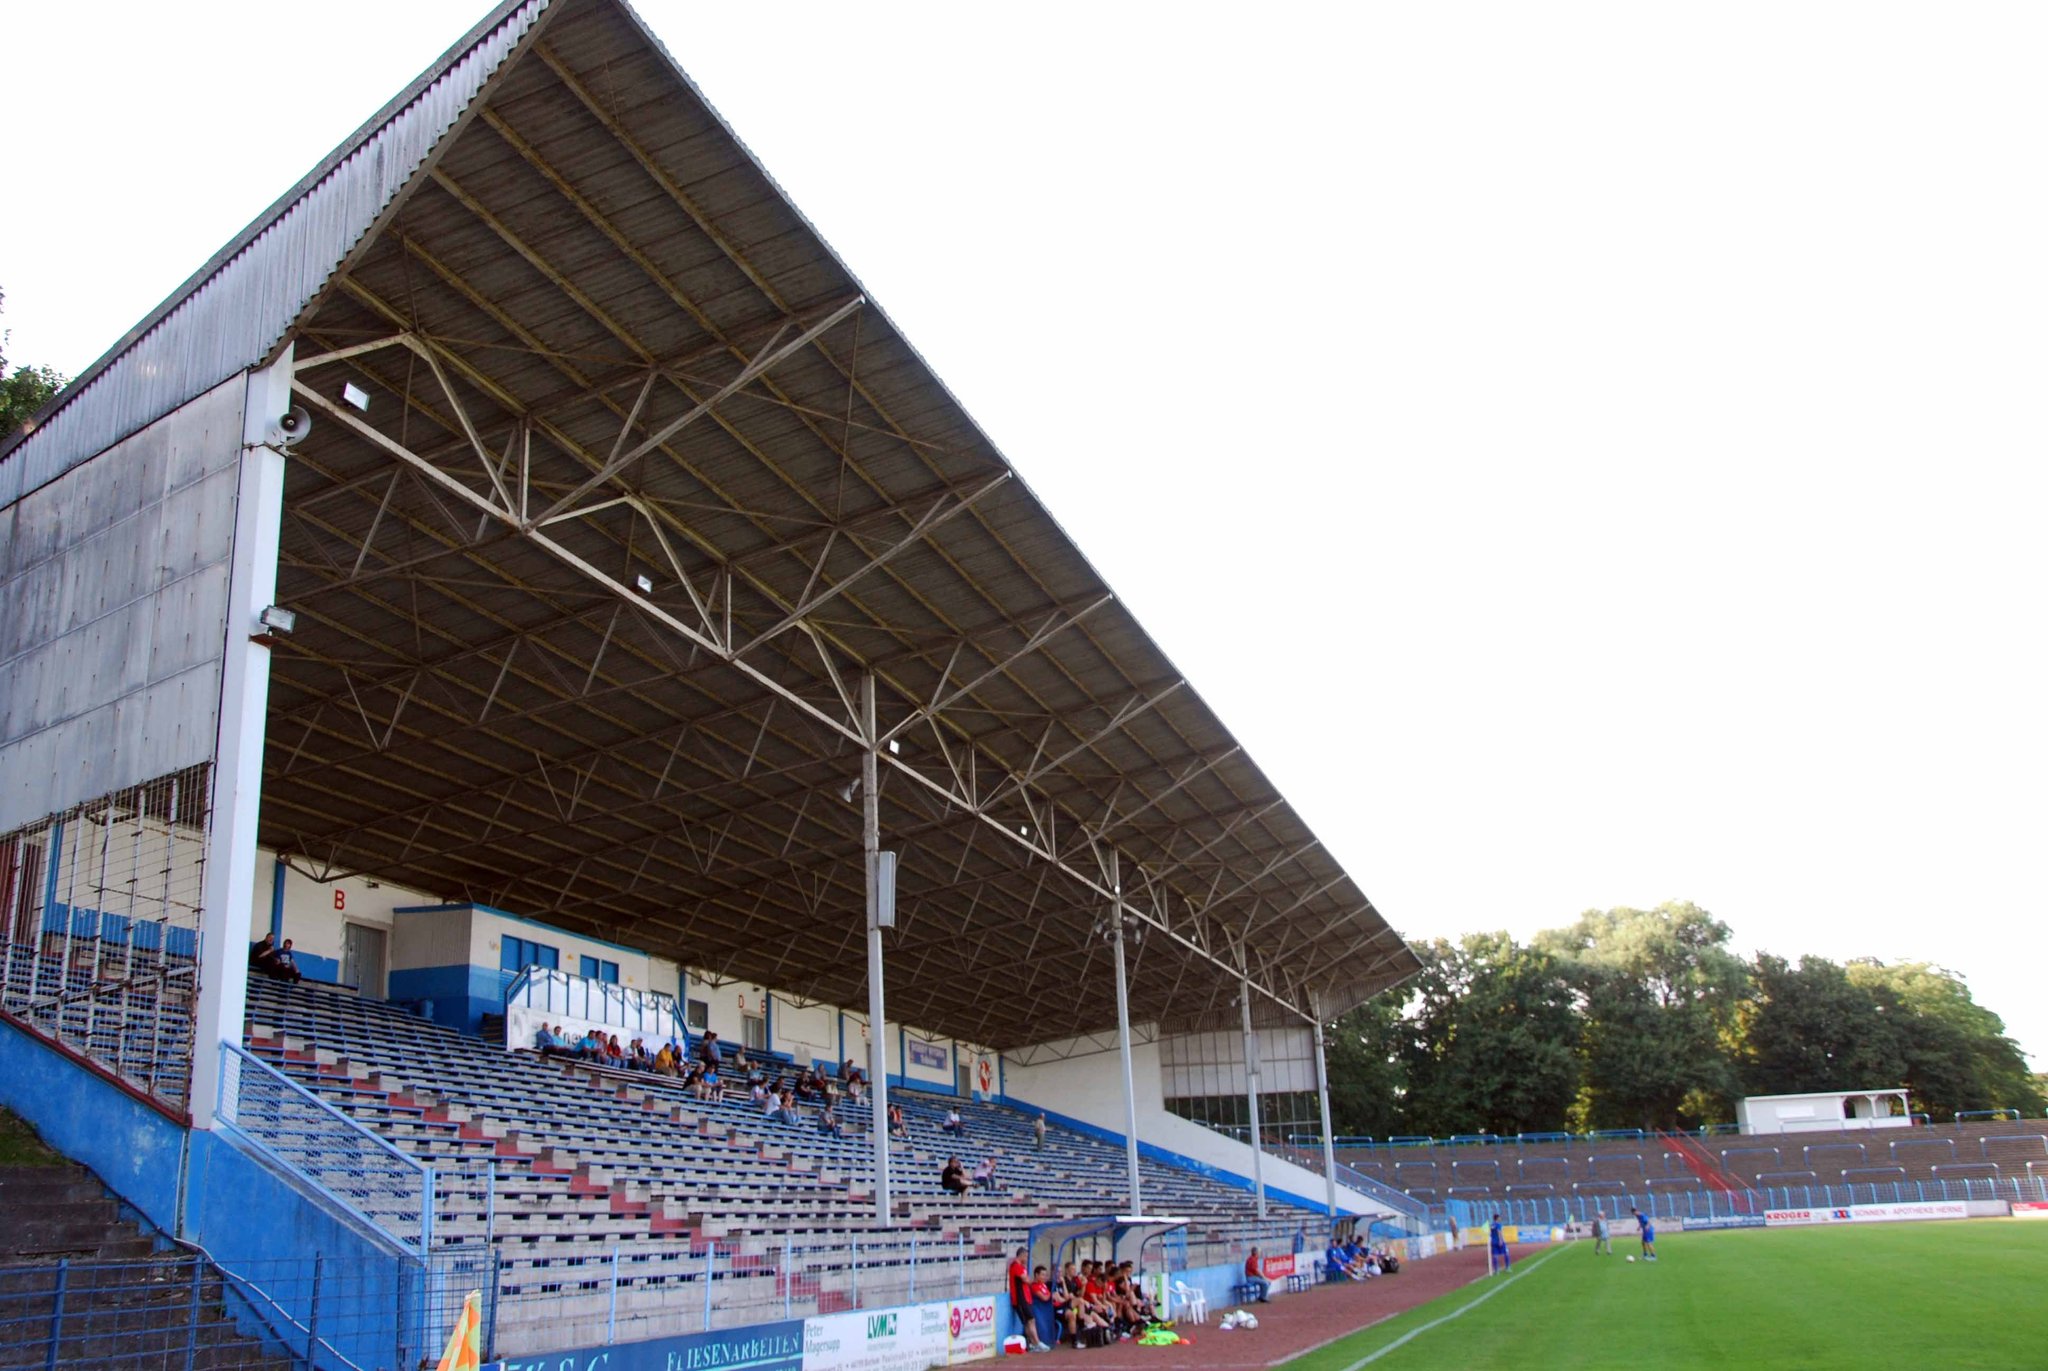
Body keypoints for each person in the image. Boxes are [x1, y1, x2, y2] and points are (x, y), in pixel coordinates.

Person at [1008, 1249, 1044, 1352]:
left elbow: (1027, 1279)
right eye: (1026, 1256)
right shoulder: (1015, 1266)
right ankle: (1036, 1343)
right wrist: (1035, 1281)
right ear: (1022, 1255)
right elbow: (1026, 1280)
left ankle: (1033, 1343)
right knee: (1030, 1320)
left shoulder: (1021, 1267)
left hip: (1025, 1297)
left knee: (1030, 1321)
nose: (1027, 1259)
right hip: (1020, 1299)